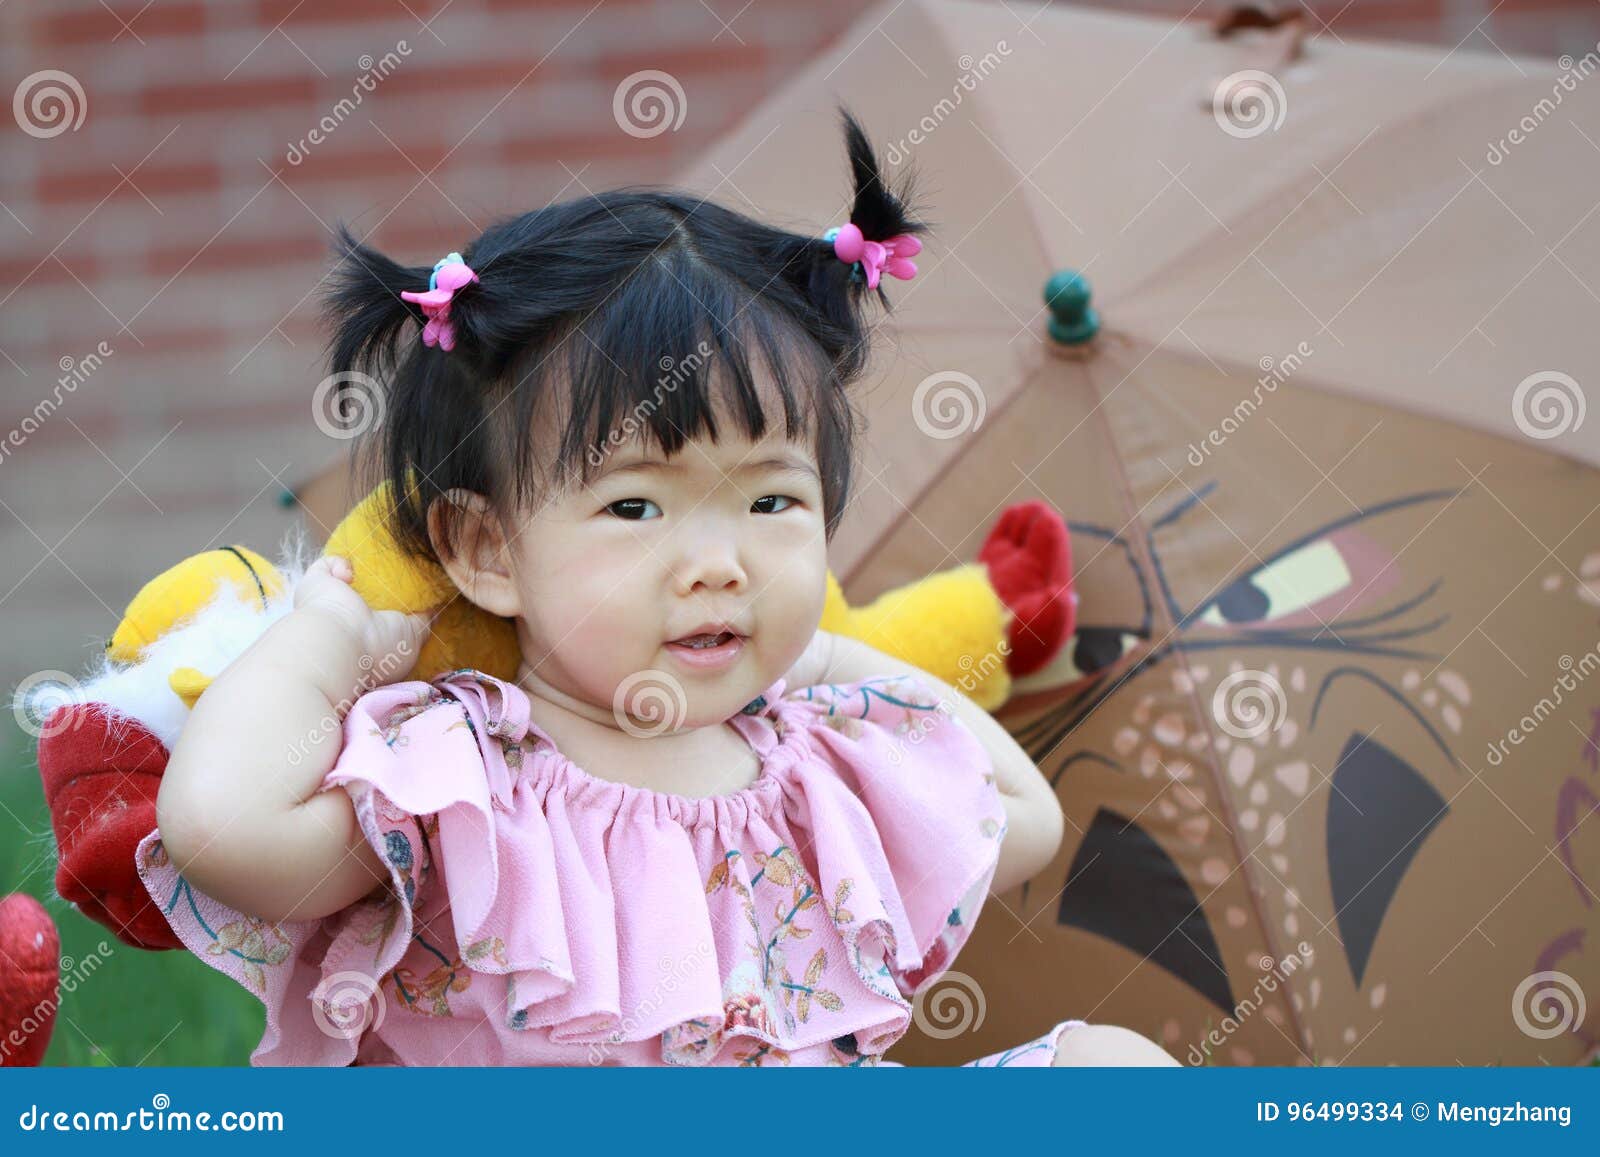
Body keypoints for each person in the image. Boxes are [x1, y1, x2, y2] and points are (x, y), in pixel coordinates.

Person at [140, 107, 1179, 1068]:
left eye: (771, 503)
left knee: (1115, 1069)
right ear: (486, 549)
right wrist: (330, 631)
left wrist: (814, 650)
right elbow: (225, 834)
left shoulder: (810, 767)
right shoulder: (460, 771)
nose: (718, 561)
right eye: (637, 508)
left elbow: (1017, 813)